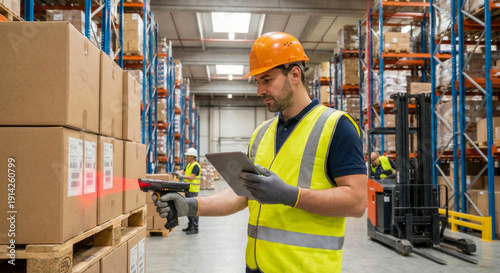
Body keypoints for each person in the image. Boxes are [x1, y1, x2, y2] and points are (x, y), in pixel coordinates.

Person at [153, 32, 367, 272]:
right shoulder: (261, 134)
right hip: (256, 267)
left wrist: (289, 195)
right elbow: (243, 194)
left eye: (267, 79)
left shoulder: (337, 126)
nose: (259, 90)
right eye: (257, 81)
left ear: (294, 74)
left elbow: (357, 202)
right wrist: (190, 206)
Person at [174, 147, 201, 234]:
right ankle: (190, 226)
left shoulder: (195, 166)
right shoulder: (189, 165)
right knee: (188, 208)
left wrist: (181, 177)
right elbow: (183, 171)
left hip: (193, 191)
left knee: (193, 208)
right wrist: (177, 173)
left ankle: (194, 227)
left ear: (192, 156)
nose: (186, 157)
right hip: (188, 190)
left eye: (188, 156)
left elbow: (192, 177)